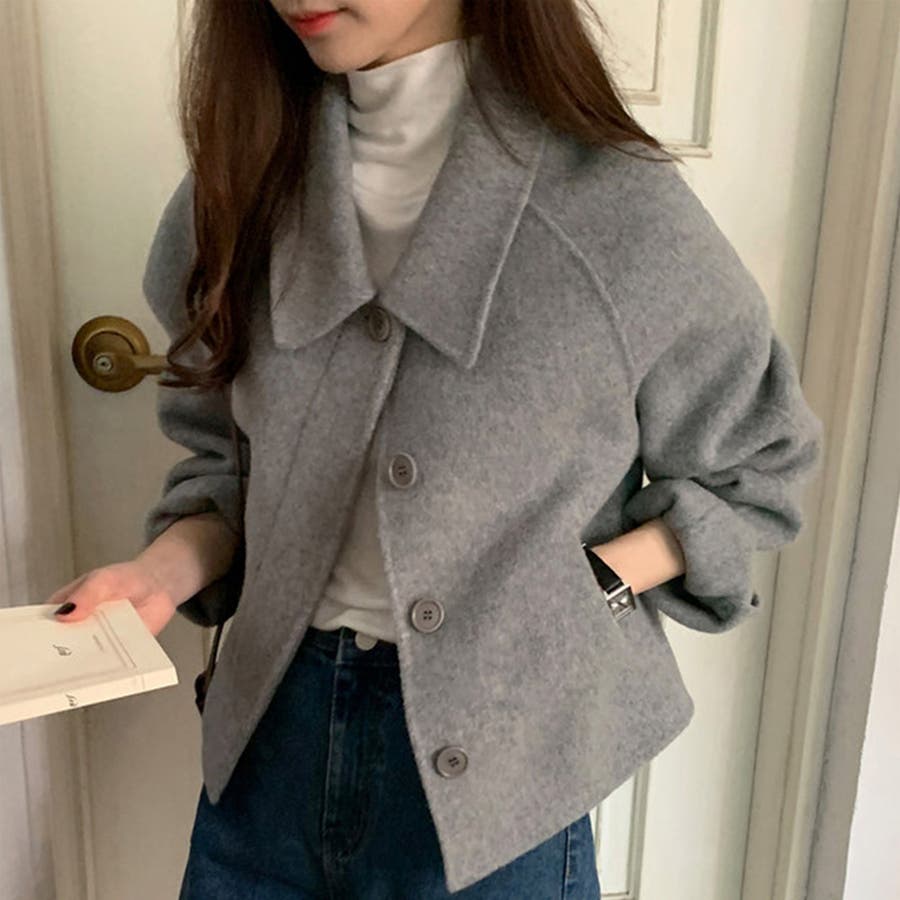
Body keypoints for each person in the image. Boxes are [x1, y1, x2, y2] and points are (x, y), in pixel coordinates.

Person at [47, 1, 825, 897]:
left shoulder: (618, 212)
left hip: (503, 778)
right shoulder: (240, 185)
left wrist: (586, 583)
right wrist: (156, 576)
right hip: (268, 752)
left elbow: (758, 471)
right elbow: (227, 465)